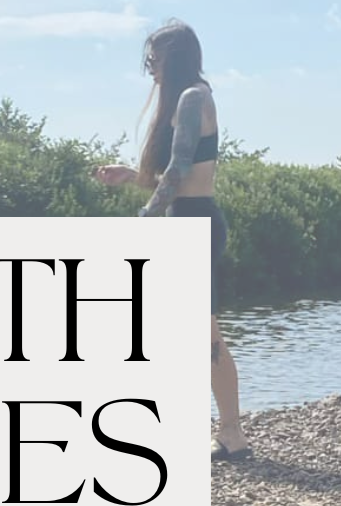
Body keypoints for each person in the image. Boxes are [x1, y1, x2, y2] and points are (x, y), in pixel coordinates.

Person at [94, 19, 251, 462]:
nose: (151, 69)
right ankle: (217, 428)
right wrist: (131, 176)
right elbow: (177, 177)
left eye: (155, 59)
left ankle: (233, 434)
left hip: (194, 223)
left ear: (174, 57)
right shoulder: (195, 96)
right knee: (195, 331)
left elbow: (180, 172)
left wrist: (145, 218)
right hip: (191, 219)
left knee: (206, 333)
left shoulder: (191, 97)